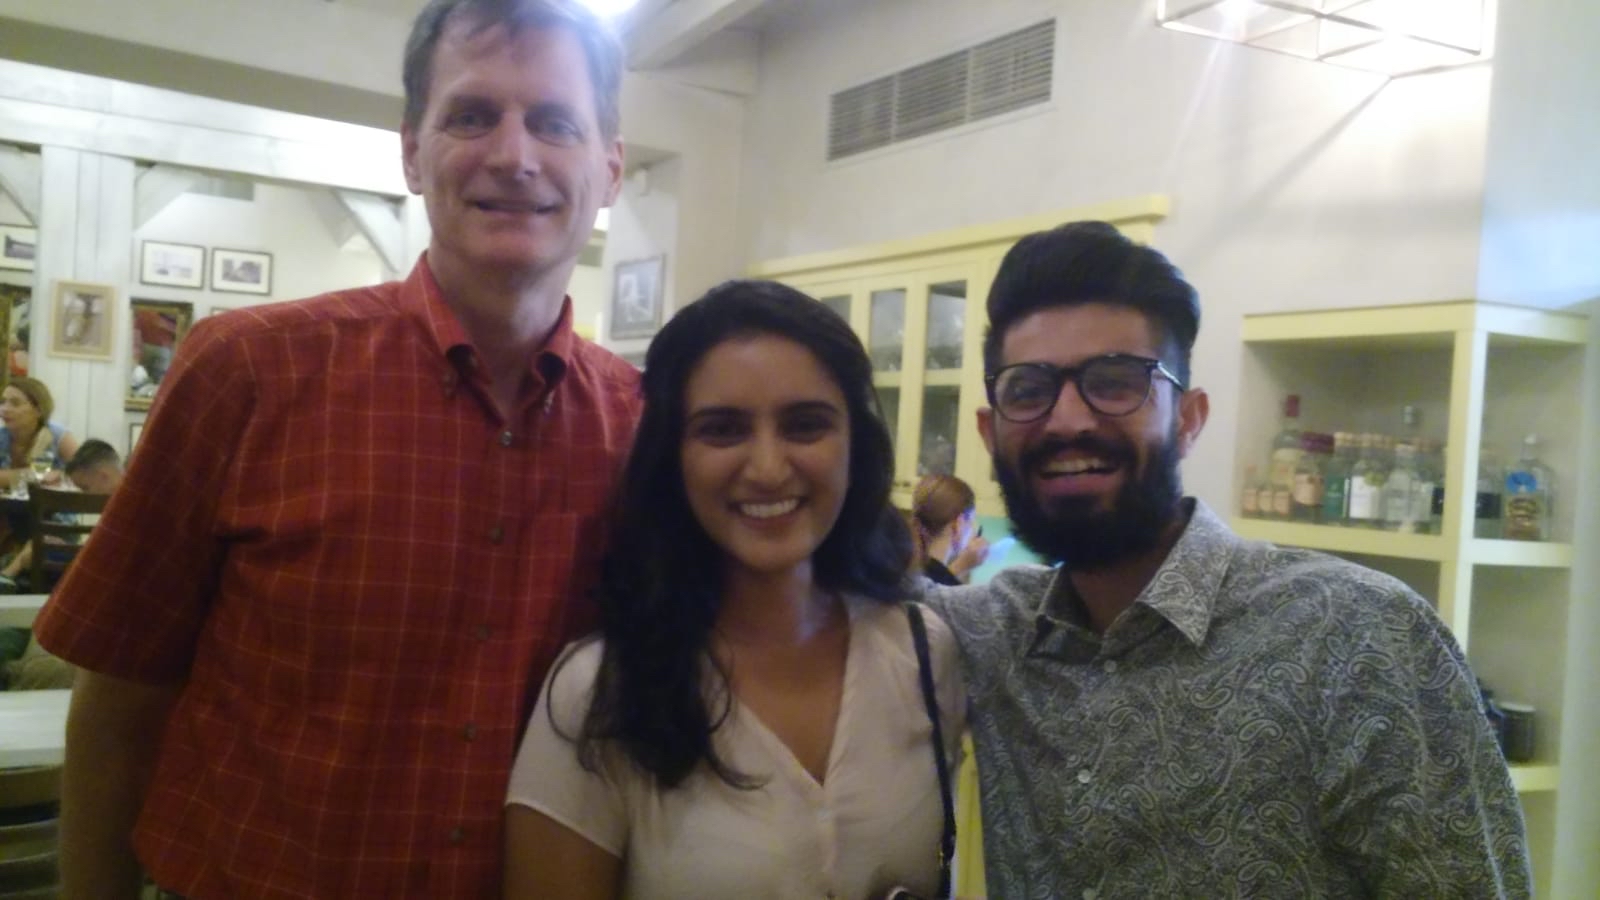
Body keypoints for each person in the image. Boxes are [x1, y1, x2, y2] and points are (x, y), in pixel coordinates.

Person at [33, 1, 637, 897]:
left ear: (611, 168)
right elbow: (120, 701)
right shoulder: (248, 368)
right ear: (409, 151)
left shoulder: (640, 425)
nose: (516, 155)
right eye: (472, 115)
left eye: (555, 122)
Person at [923, 221, 1529, 897]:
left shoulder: (1358, 637)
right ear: (990, 429)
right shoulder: (987, 634)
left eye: (1116, 381)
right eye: (1028, 390)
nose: (1067, 420)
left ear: (1188, 418)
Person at [504, 280, 964, 900]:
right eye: (723, 430)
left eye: (806, 425)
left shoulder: (924, 653)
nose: (769, 467)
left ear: (855, 445)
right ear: (673, 456)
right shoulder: (600, 692)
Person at [0, 376, 79, 492]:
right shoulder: (2, 436)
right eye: (2, 402)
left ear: (38, 410)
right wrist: (36, 475)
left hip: (52, 506)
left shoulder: (59, 437)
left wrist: (10, 477)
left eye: (15, 404)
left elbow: (83, 475)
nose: (4, 409)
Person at [908, 473, 988, 586]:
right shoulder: (949, 594)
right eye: (970, 521)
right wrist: (962, 566)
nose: (973, 530)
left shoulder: (906, 571)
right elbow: (936, 595)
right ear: (958, 524)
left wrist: (959, 568)